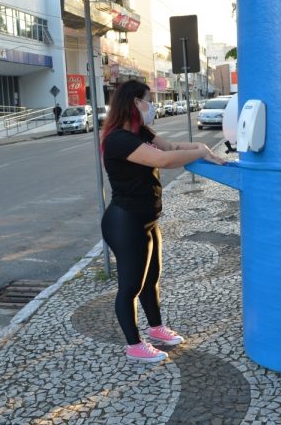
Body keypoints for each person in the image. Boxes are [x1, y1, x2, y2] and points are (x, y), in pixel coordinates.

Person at [100, 79, 225, 363]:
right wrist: (202, 152)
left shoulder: (141, 131)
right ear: (135, 103)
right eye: (148, 99)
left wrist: (202, 147)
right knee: (130, 286)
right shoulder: (118, 139)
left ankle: (156, 328)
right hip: (125, 221)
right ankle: (133, 345)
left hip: (146, 220)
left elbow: (171, 146)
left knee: (151, 279)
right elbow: (165, 160)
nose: (152, 105)